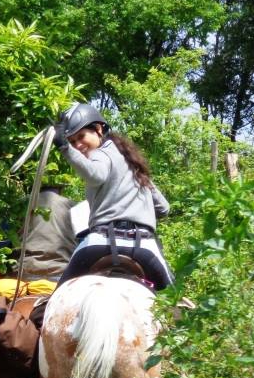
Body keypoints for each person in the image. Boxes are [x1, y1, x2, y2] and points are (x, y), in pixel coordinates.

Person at [52, 103, 174, 290]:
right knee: (176, 304)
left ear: (98, 129)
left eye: (81, 136)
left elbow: (96, 174)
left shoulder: (100, 155)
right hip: (143, 248)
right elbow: (164, 208)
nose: (78, 145)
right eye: (73, 141)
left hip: (98, 244)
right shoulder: (134, 165)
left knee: (55, 300)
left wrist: (65, 148)